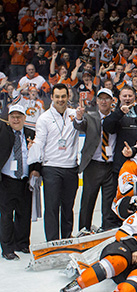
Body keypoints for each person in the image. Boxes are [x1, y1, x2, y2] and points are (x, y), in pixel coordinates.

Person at [28, 83, 83, 241]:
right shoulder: (44, 118)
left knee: (68, 207)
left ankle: (66, 238)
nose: (60, 100)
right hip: (51, 168)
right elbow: (39, 143)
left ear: (68, 97)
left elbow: (83, 125)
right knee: (51, 208)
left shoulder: (74, 114)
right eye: (57, 96)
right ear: (52, 97)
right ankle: (52, 241)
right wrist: (36, 168)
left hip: (71, 168)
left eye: (63, 96)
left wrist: (80, 117)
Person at [74, 88, 118, 231]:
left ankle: (107, 229)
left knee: (108, 202)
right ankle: (83, 229)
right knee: (88, 200)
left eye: (107, 98)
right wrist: (79, 117)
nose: (104, 101)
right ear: (97, 101)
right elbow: (79, 126)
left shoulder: (117, 118)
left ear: (112, 101)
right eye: (101, 98)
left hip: (111, 165)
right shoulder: (90, 117)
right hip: (93, 165)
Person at [0, 105, 38, 260]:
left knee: (24, 214)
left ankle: (22, 243)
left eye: (19, 116)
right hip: (7, 181)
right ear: (8, 119)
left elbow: (37, 155)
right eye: (13, 117)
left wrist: (35, 170)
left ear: (24, 118)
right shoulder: (3, 132)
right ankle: (7, 247)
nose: (16, 119)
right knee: (6, 215)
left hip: (24, 181)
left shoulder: (31, 134)